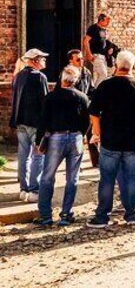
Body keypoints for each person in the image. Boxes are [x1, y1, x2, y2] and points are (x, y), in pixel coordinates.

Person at [87, 50, 135, 228]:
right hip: (133, 141)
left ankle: (102, 216)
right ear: (132, 66)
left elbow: (94, 113)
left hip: (110, 140)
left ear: (116, 65)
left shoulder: (105, 85)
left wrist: (97, 132)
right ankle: (131, 215)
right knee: (132, 178)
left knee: (107, 179)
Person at [33, 66, 89, 226]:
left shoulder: (51, 97)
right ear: (76, 80)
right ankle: (66, 214)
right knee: (72, 178)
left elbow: (43, 121)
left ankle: (45, 215)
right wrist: (81, 134)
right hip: (76, 137)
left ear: (61, 78)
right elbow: (86, 121)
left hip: (56, 137)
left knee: (47, 177)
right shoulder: (81, 97)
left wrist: (39, 141)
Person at [10, 48, 49, 203]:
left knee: (23, 156)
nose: (45, 61)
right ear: (35, 60)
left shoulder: (18, 76)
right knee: (38, 156)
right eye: (42, 58)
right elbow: (45, 102)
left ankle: (23, 189)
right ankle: (33, 190)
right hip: (35, 123)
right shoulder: (40, 77)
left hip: (20, 121)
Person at [68, 49, 97, 168]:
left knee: (92, 134)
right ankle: (75, 164)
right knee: (77, 138)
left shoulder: (86, 72)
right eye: (77, 59)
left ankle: (96, 160)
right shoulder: (67, 73)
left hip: (86, 107)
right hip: (74, 110)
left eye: (82, 59)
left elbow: (91, 89)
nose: (81, 61)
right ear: (71, 61)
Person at [83, 13, 114, 87]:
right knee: (103, 74)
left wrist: (109, 49)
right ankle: (95, 91)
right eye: (107, 21)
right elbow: (85, 41)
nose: (108, 23)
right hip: (96, 55)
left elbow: (104, 42)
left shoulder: (104, 30)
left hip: (103, 56)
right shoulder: (93, 28)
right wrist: (89, 54)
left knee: (102, 75)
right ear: (101, 21)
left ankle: (96, 90)